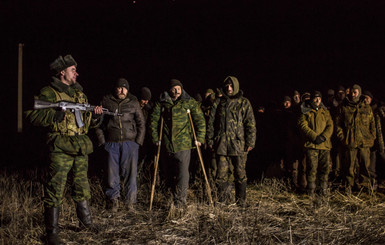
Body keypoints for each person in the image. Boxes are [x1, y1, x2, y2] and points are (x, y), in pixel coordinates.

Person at [26, 55, 103, 245]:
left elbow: (85, 123)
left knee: (81, 186)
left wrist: (95, 117)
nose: (77, 73)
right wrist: (56, 116)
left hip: (80, 147)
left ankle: (86, 223)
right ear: (62, 72)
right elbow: (32, 116)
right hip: (60, 147)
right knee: (55, 187)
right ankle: (52, 232)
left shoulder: (80, 94)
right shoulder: (50, 93)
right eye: (73, 70)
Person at [149, 79, 205, 207]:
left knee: (182, 174)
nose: (176, 91)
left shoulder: (189, 102)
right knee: (168, 174)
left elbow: (200, 120)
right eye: (174, 89)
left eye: (178, 89)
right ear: (169, 90)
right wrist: (155, 138)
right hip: (166, 144)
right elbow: (153, 121)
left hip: (183, 144)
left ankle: (180, 202)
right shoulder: (162, 102)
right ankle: (169, 197)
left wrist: (200, 138)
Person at [95, 78, 145, 212]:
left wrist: (137, 142)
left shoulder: (133, 102)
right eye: (119, 88)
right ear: (115, 88)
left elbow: (141, 123)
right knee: (112, 175)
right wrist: (102, 142)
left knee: (131, 174)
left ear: (128, 89)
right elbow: (98, 124)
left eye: (124, 88)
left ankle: (130, 203)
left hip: (130, 143)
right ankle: (113, 201)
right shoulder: (106, 101)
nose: (122, 90)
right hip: (111, 143)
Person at [207, 76, 256, 206]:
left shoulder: (244, 103)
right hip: (221, 144)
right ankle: (222, 201)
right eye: (227, 86)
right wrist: (210, 140)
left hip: (238, 144)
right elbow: (211, 123)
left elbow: (250, 123)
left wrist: (250, 142)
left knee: (240, 173)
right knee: (221, 174)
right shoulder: (219, 102)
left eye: (231, 85)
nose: (229, 88)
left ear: (236, 86)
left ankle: (241, 202)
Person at [335, 84, 376, 193]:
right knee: (349, 166)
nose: (353, 94)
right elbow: (338, 124)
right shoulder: (344, 107)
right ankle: (348, 186)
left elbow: (373, 124)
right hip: (350, 141)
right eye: (352, 92)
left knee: (365, 166)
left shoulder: (366, 107)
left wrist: (372, 137)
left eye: (355, 92)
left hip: (364, 142)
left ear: (359, 93)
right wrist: (342, 137)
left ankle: (365, 186)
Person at [298, 91, 333, 196]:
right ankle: (311, 191)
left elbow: (330, 125)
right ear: (312, 99)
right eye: (315, 98)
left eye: (319, 98)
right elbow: (303, 125)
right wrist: (314, 136)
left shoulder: (325, 111)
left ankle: (323, 190)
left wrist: (323, 137)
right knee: (312, 168)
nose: (318, 100)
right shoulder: (306, 111)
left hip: (324, 145)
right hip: (312, 145)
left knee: (325, 169)